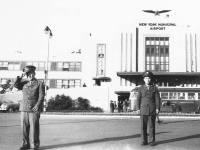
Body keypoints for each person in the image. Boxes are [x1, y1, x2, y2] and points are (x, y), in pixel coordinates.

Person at [14, 65, 45, 150]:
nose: (30, 76)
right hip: (24, 108)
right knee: (24, 127)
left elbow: (41, 96)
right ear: (26, 75)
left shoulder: (40, 83)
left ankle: (34, 144)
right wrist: (20, 76)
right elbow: (15, 85)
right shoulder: (23, 83)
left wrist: (37, 105)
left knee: (34, 127)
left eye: (32, 73)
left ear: (34, 73)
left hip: (34, 109)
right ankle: (25, 144)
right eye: (28, 74)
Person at [136, 71, 160, 146]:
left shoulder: (155, 88)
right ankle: (144, 141)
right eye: (146, 78)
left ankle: (152, 141)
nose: (148, 80)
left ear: (151, 79)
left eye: (149, 78)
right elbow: (138, 99)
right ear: (144, 79)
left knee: (152, 126)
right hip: (143, 109)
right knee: (143, 126)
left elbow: (157, 99)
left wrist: (158, 108)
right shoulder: (140, 88)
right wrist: (137, 108)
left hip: (152, 109)